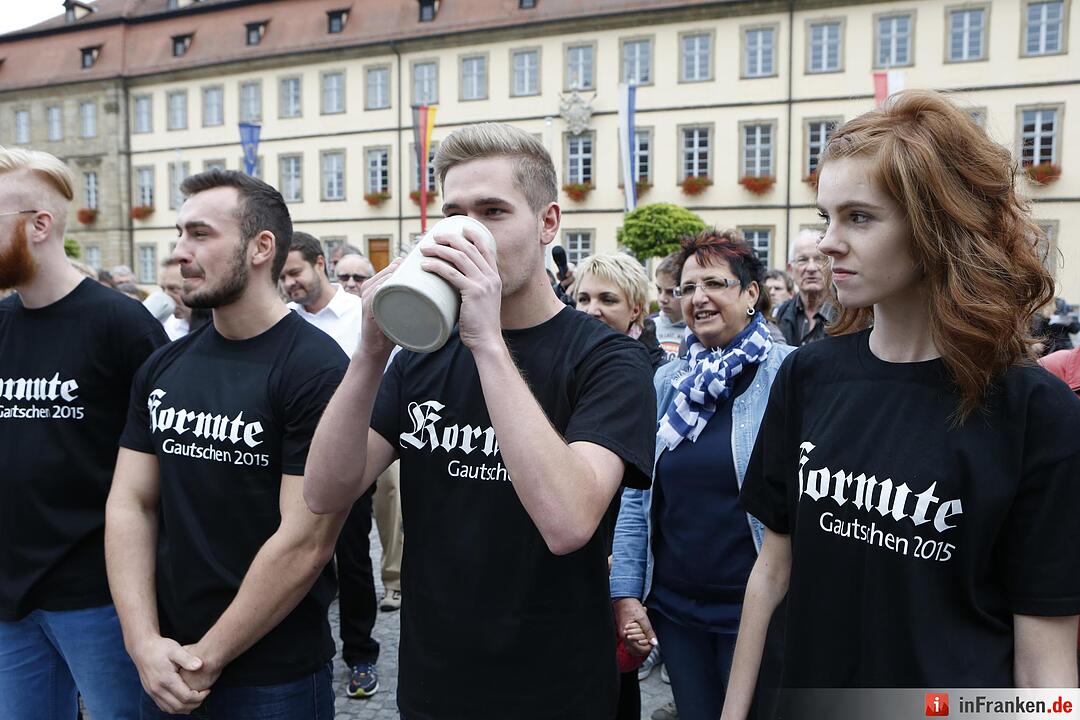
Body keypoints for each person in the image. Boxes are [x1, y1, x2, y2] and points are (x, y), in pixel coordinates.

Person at [722, 91, 1080, 720]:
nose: (828, 243)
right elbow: (771, 573)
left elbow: (1044, 654)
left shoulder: (1035, 411)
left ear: (937, 226)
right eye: (826, 216)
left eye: (859, 217)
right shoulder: (809, 375)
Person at [303, 122, 656, 720]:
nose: (468, 234)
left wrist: (488, 341)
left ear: (547, 224)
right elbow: (325, 490)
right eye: (454, 215)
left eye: (493, 212)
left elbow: (568, 522)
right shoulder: (423, 357)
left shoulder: (606, 358)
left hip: (556, 690)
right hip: (434, 684)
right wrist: (369, 353)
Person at [105, 169, 349, 719]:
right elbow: (131, 502)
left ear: (261, 247)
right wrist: (142, 642)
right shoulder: (165, 364)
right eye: (179, 233)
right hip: (164, 661)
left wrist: (207, 658)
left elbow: (306, 540)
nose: (178, 252)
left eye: (200, 234)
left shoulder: (316, 369)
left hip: (271, 676)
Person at [0, 146, 165, 718]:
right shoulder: (2, 322)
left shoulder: (122, 325)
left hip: (101, 597)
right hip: (12, 600)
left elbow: (164, 463)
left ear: (38, 225)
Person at [611, 229, 793, 720]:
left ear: (751, 293)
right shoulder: (671, 379)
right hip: (676, 611)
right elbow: (637, 494)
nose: (698, 298)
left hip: (755, 613)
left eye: (714, 283)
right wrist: (627, 592)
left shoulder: (789, 376)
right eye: (686, 288)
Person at [279, 231, 383, 698]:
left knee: (353, 559)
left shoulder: (363, 314)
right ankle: (304, 648)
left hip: (353, 457)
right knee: (296, 556)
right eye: (281, 277)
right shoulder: (284, 322)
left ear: (320, 264)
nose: (289, 284)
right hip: (290, 463)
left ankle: (360, 654)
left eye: (295, 272)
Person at [334, 251, 405, 614]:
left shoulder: (384, 309)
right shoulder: (304, 315)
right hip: (342, 428)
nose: (350, 284)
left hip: (387, 420)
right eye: (343, 277)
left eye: (358, 277)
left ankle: (394, 580)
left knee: (390, 502)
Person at [574, 252, 666, 370]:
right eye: (583, 299)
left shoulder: (659, 374)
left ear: (635, 310)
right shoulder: (564, 357)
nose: (591, 311)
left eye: (607, 300)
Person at [774, 230, 833, 346]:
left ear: (831, 265)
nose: (811, 268)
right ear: (790, 270)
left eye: (819, 259)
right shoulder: (780, 314)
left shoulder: (848, 314)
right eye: (803, 260)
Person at [653, 251, 687, 361]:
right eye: (659, 290)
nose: (662, 299)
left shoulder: (700, 332)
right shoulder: (649, 327)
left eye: (671, 292)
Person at [160, 258, 192, 340]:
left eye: (173, 289)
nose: (166, 296)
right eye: (163, 289)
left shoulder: (219, 326)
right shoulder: (164, 327)